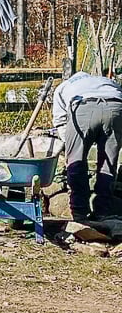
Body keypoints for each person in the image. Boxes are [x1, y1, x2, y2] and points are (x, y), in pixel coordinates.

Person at [51, 69, 122, 220]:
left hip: (83, 107)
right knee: (108, 165)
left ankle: (79, 212)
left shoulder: (64, 86)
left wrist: (70, 144)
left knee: (76, 161)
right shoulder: (107, 82)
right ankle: (103, 211)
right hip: (116, 107)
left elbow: (60, 121)